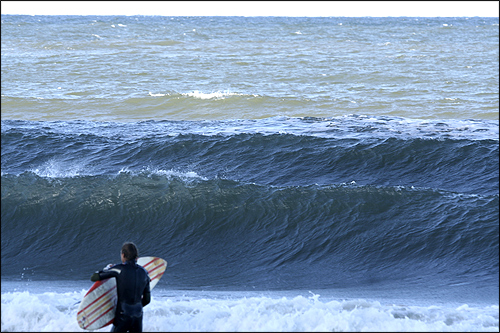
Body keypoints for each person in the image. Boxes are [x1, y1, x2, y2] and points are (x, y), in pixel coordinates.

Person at [91, 242, 151, 332]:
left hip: (123, 316)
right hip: (138, 316)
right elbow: (147, 300)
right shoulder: (145, 273)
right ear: (136, 257)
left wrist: (107, 268)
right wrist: (134, 308)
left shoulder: (118, 269)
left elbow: (94, 277)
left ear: (123, 255)